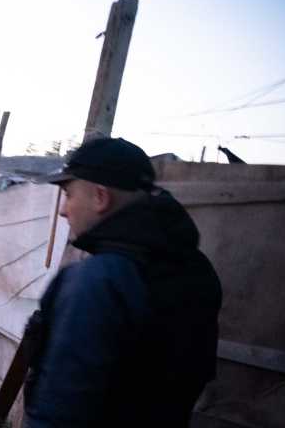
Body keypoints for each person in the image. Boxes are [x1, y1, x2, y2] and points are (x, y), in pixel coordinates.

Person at [25, 138, 222, 427]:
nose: (63, 210)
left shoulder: (97, 280)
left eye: (68, 194)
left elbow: (60, 410)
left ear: (100, 197)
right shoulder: (197, 270)